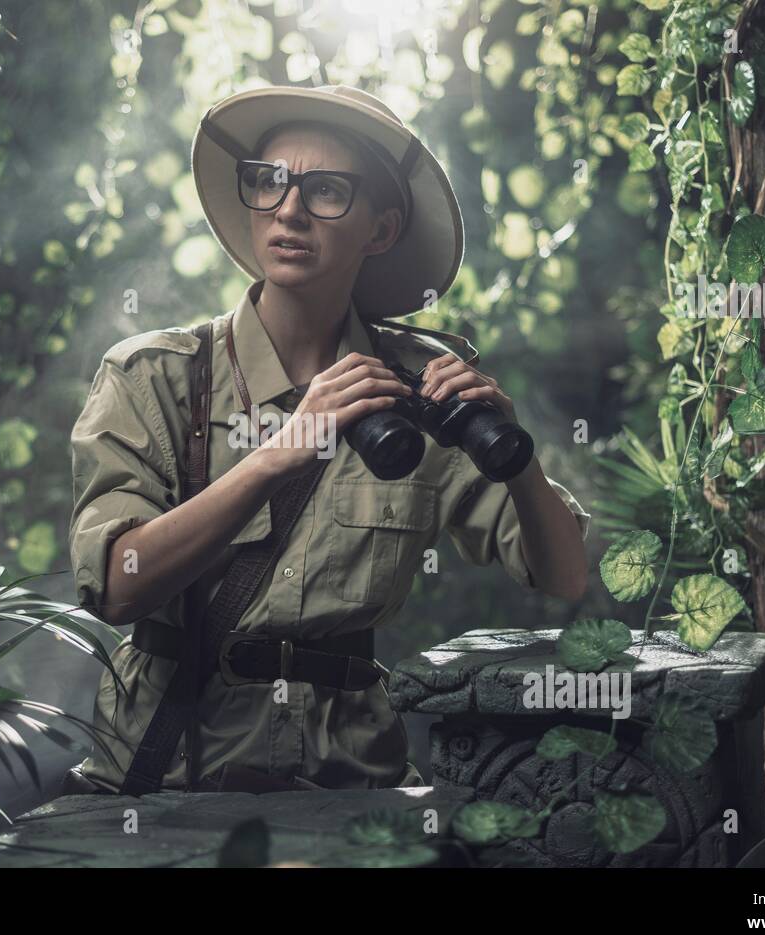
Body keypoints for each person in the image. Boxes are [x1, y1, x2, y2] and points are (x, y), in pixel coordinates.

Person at [63, 85, 590, 795]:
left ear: (381, 228)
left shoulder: (414, 393)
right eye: (269, 181)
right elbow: (115, 584)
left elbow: (563, 575)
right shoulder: (154, 376)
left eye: (328, 190)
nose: (289, 208)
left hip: (348, 781)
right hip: (172, 771)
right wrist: (280, 453)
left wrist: (515, 454)